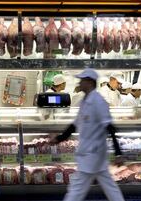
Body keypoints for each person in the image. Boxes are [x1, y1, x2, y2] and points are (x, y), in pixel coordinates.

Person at [49, 68, 125, 201]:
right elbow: (75, 124)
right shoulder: (85, 101)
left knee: (78, 187)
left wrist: (118, 153)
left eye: (82, 81)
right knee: (108, 186)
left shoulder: (98, 101)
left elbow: (110, 127)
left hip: (93, 153)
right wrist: (60, 138)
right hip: (90, 152)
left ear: (90, 82)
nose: (80, 83)